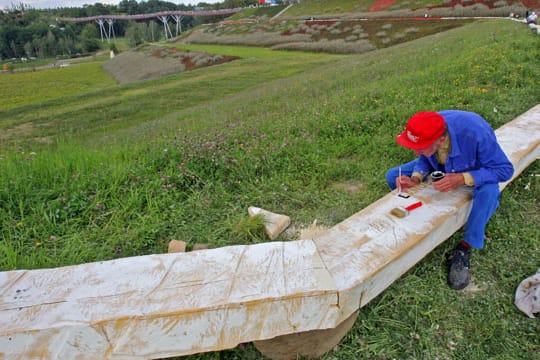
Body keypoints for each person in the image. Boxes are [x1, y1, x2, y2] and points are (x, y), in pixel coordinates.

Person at [386, 111, 514, 290]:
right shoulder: (429, 126)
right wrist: (415, 178)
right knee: (393, 176)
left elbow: (505, 170)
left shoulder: (476, 132)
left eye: (420, 147)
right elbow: (424, 157)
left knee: (489, 192)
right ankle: (418, 214)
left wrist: (462, 178)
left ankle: (465, 247)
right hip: (441, 162)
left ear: (440, 140)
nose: (415, 151)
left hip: (474, 167)